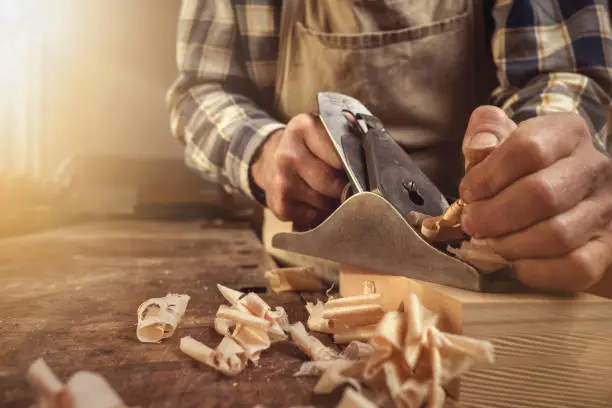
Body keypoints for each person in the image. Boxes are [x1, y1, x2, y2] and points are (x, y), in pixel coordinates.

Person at [167, 1, 612, 296]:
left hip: (487, 270)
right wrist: (263, 150)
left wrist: (530, 157)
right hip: (306, 278)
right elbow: (202, 90)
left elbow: (564, 73)